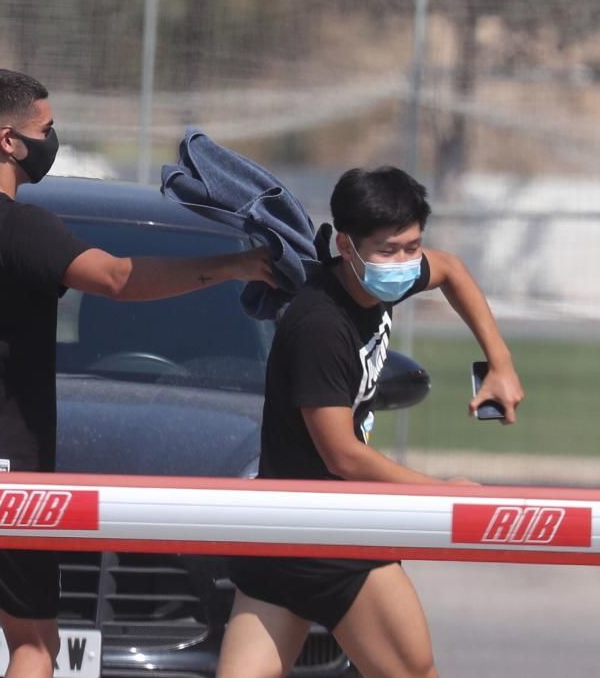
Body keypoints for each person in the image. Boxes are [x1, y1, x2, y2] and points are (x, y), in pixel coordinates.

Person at [0, 68, 275, 678]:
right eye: (45, 128)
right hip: (2, 473)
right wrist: (232, 265)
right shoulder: (21, 226)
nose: (53, 139)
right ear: (7, 140)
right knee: (33, 644)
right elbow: (116, 278)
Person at [216, 166, 524, 678]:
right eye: (388, 250)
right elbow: (341, 453)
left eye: (411, 246)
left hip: (283, 532)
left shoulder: (374, 281)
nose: (404, 263)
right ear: (346, 245)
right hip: (330, 535)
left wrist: (500, 362)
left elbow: (448, 268)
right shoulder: (320, 325)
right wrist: (441, 493)